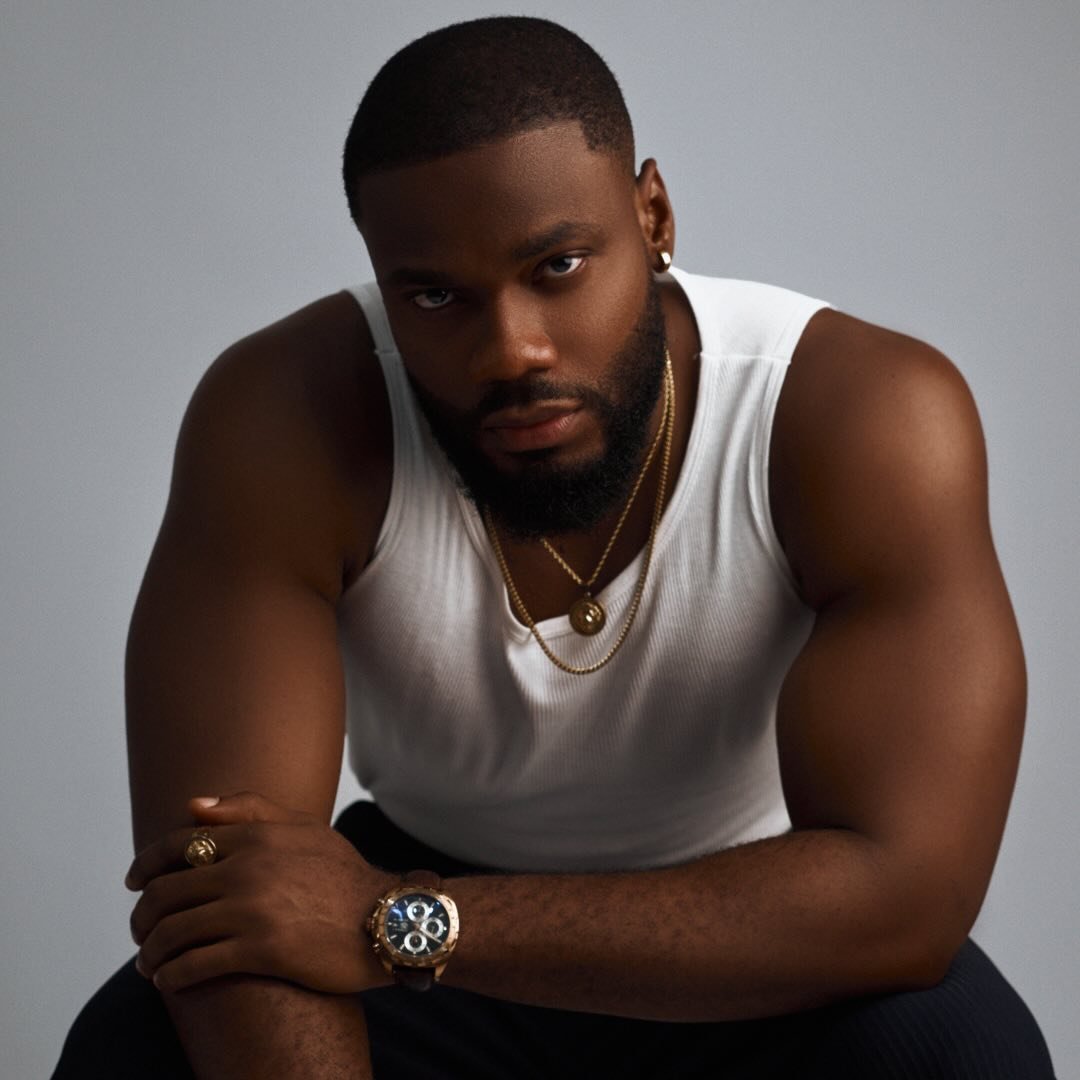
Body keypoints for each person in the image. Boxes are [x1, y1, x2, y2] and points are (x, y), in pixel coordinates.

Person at [54, 15, 1055, 1079]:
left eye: (559, 265)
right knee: (146, 1039)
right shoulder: (285, 419)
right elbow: (221, 880)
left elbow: (903, 898)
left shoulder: (856, 414)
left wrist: (397, 922)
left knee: (961, 1056)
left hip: (757, 922)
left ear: (653, 214)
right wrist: (375, 923)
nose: (511, 350)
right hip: (413, 939)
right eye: (434, 295)